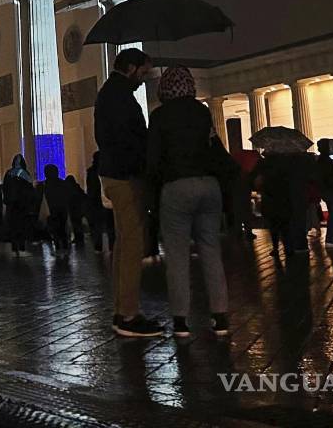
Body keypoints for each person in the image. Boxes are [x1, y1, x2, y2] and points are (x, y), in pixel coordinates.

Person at [146, 66, 230, 337]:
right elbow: (214, 147)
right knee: (210, 250)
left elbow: (154, 159)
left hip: (176, 186)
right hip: (208, 185)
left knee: (178, 255)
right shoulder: (202, 111)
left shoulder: (159, 116)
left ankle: (181, 320)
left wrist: (153, 191)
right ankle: (220, 316)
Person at [94, 48, 162, 338]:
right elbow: (130, 138)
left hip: (113, 172)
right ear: (131, 68)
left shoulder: (110, 93)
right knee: (132, 244)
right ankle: (128, 315)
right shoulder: (120, 97)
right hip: (125, 175)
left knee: (124, 244)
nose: (144, 80)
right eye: (144, 73)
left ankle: (123, 309)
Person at [2, 155, 36, 256]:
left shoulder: (9, 173)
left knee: (13, 226)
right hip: (23, 205)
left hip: (12, 204)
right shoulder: (25, 174)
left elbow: (5, 188)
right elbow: (30, 189)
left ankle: (14, 247)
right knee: (22, 226)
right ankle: (21, 247)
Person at [38, 165, 72, 260]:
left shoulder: (44, 185)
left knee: (55, 230)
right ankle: (65, 247)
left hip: (51, 209)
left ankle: (57, 248)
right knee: (62, 229)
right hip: (62, 209)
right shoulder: (63, 183)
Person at [85, 152, 115, 252]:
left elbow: (90, 188)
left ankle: (99, 246)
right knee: (110, 225)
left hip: (95, 202)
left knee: (97, 226)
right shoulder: (106, 170)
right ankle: (112, 246)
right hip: (107, 201)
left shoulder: (91, 171)